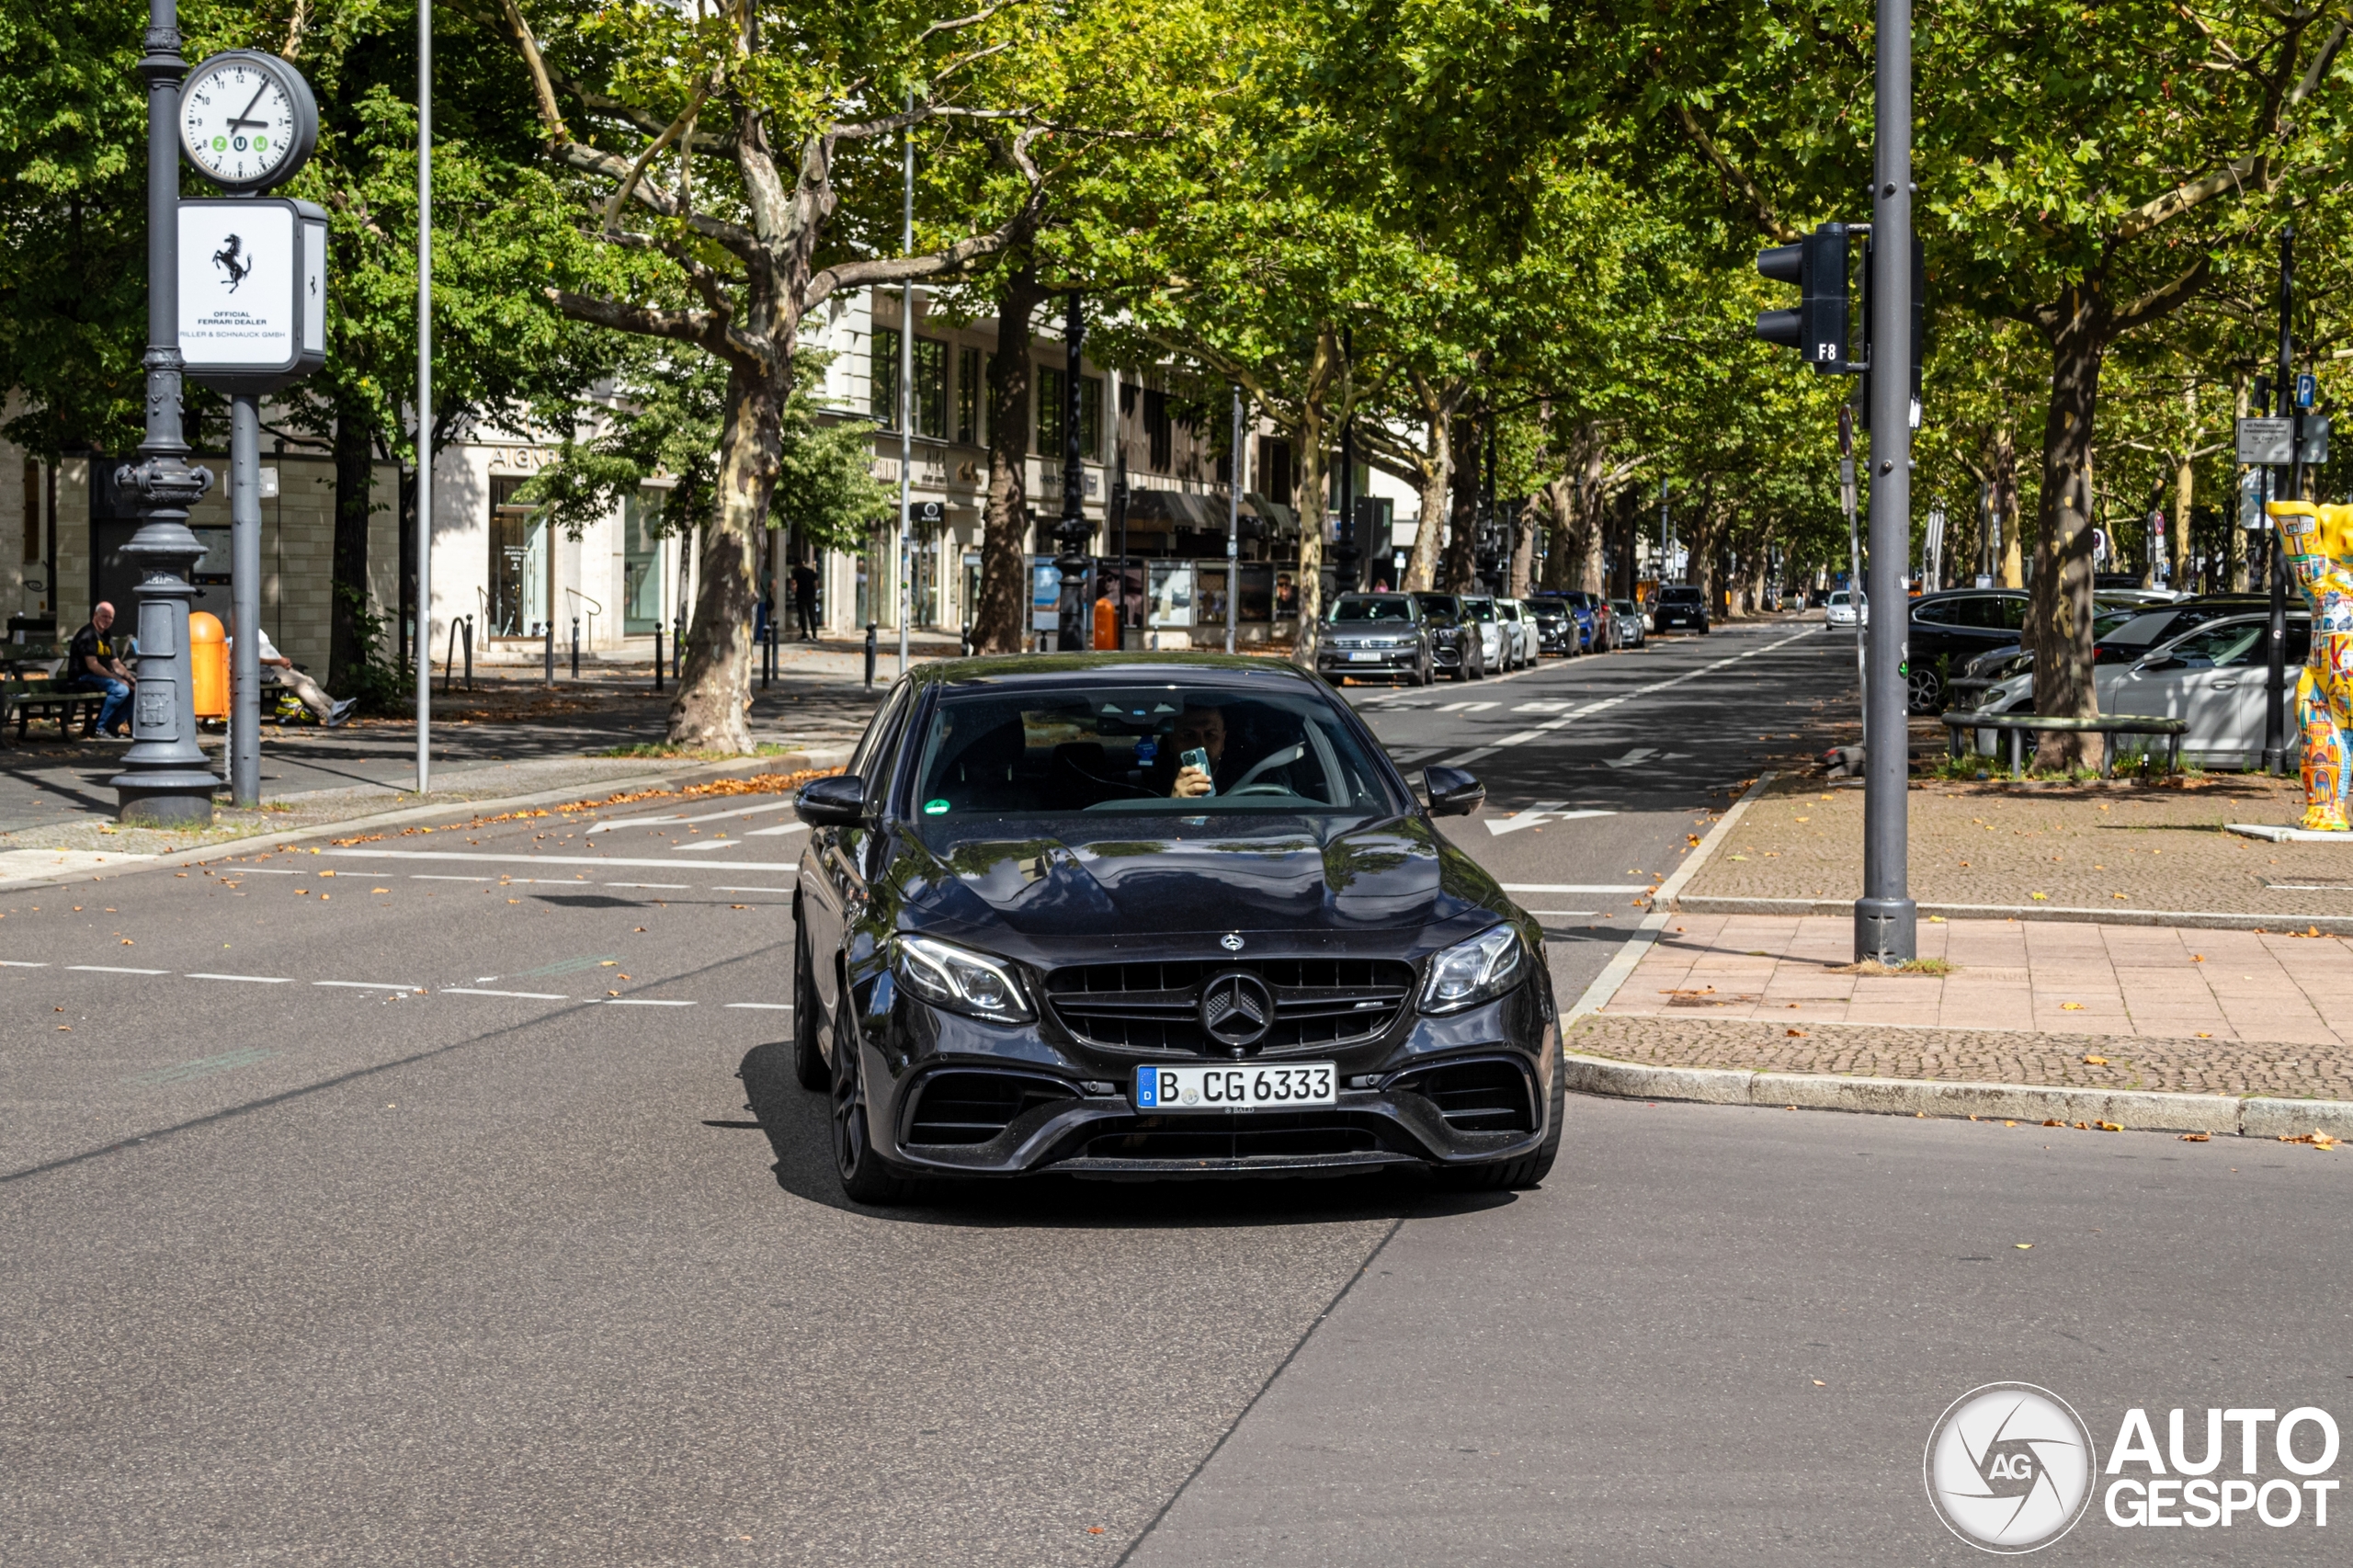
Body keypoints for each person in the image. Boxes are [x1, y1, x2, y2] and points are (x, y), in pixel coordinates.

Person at [228, 619, 354, 727]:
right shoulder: (239, 639)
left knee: (308, 680)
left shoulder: (256, 632)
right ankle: (326, 714)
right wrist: (279, 661)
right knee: (301, 684)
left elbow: (268, 650)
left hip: (276, 664)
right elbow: (253, 659)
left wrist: (283, 659)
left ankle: (334, 705)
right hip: (267, 669)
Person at [67, 601, 134, 737]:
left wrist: (131, 679)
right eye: (104, 616)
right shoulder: (87, 635)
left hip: (100, 677)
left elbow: (116, 663)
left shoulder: (107, 636)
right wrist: (117, 679)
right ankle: (99, 728)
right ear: (95, 615)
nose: (107, 620)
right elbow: (93, 666)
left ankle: (111, 726)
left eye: (110, 618)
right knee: (120, 690)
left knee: (135, 691)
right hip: (82, 677)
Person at [790, 559, 820, 641]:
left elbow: (793, 583)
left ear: (797, 565)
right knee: (812, 615)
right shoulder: (811, 571)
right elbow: (816, 583)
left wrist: (794, 591)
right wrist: (814, 592)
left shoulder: (796, 572)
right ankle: (814, 636)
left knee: (802, 615)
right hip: (811, 596)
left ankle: (804, 635)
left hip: (801, 595)